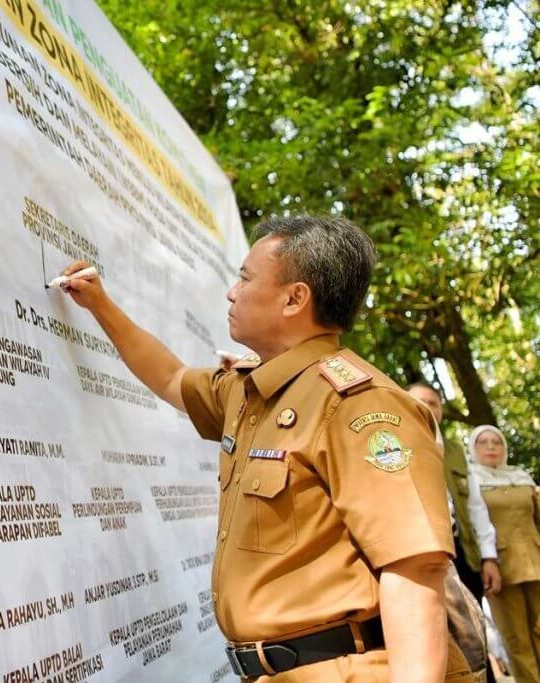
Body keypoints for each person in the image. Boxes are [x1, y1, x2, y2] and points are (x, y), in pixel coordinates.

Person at [58, 215, 462, 681]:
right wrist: (100, 305)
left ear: (295, 298)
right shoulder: (251, 393)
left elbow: (415, 571)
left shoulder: (360, 405)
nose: (232, 292)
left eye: (246, 278)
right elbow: (170, 377)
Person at [407, 383, 502, 609]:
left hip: (463, 553)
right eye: (420, 401)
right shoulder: (395, 446)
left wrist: (488, 558)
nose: (427, 407)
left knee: (476, 629)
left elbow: (476, 507)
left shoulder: (456, 451)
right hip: (426, 555)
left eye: (434, 403)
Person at [468, 424, 540, 681]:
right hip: (500, 567)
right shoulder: (470, 479)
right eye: (483, 442)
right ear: (472, 448)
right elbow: (472, 526)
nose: (490, 447)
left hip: (536, 561)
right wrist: (487, 560)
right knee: (517, 638)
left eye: (496, 442)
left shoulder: (521, 476)